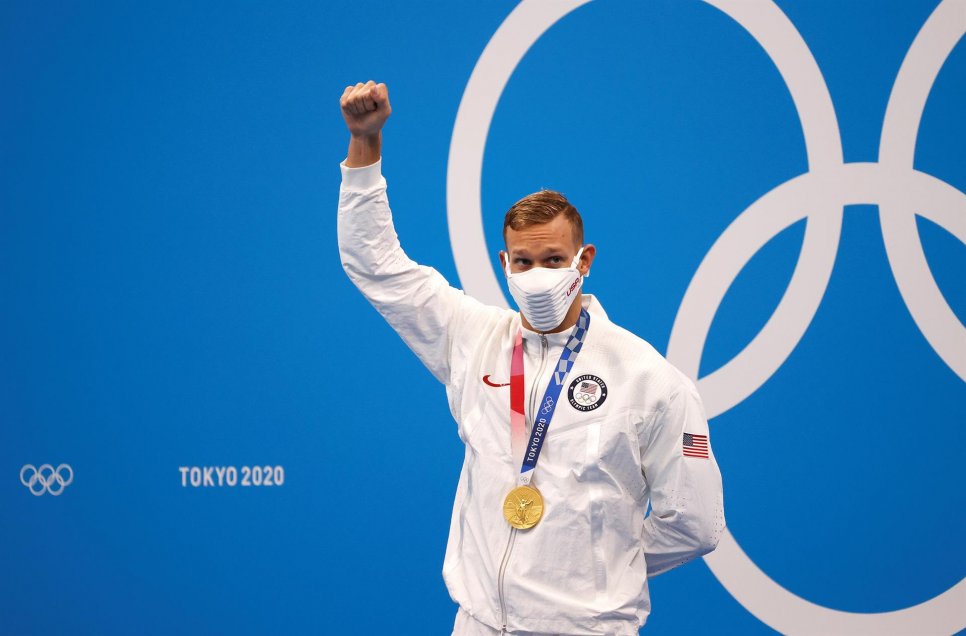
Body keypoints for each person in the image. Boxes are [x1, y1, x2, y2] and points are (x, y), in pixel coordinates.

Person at [337, 80, 725, 635]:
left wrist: (596, 570)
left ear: (583, 259)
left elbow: (695, 523)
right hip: (478, 624)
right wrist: (365, 144)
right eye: (523, 261)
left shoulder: (649, 380)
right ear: (504, 263)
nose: (538, 275)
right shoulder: (471, 337)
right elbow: (373, 264)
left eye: (553, 258)